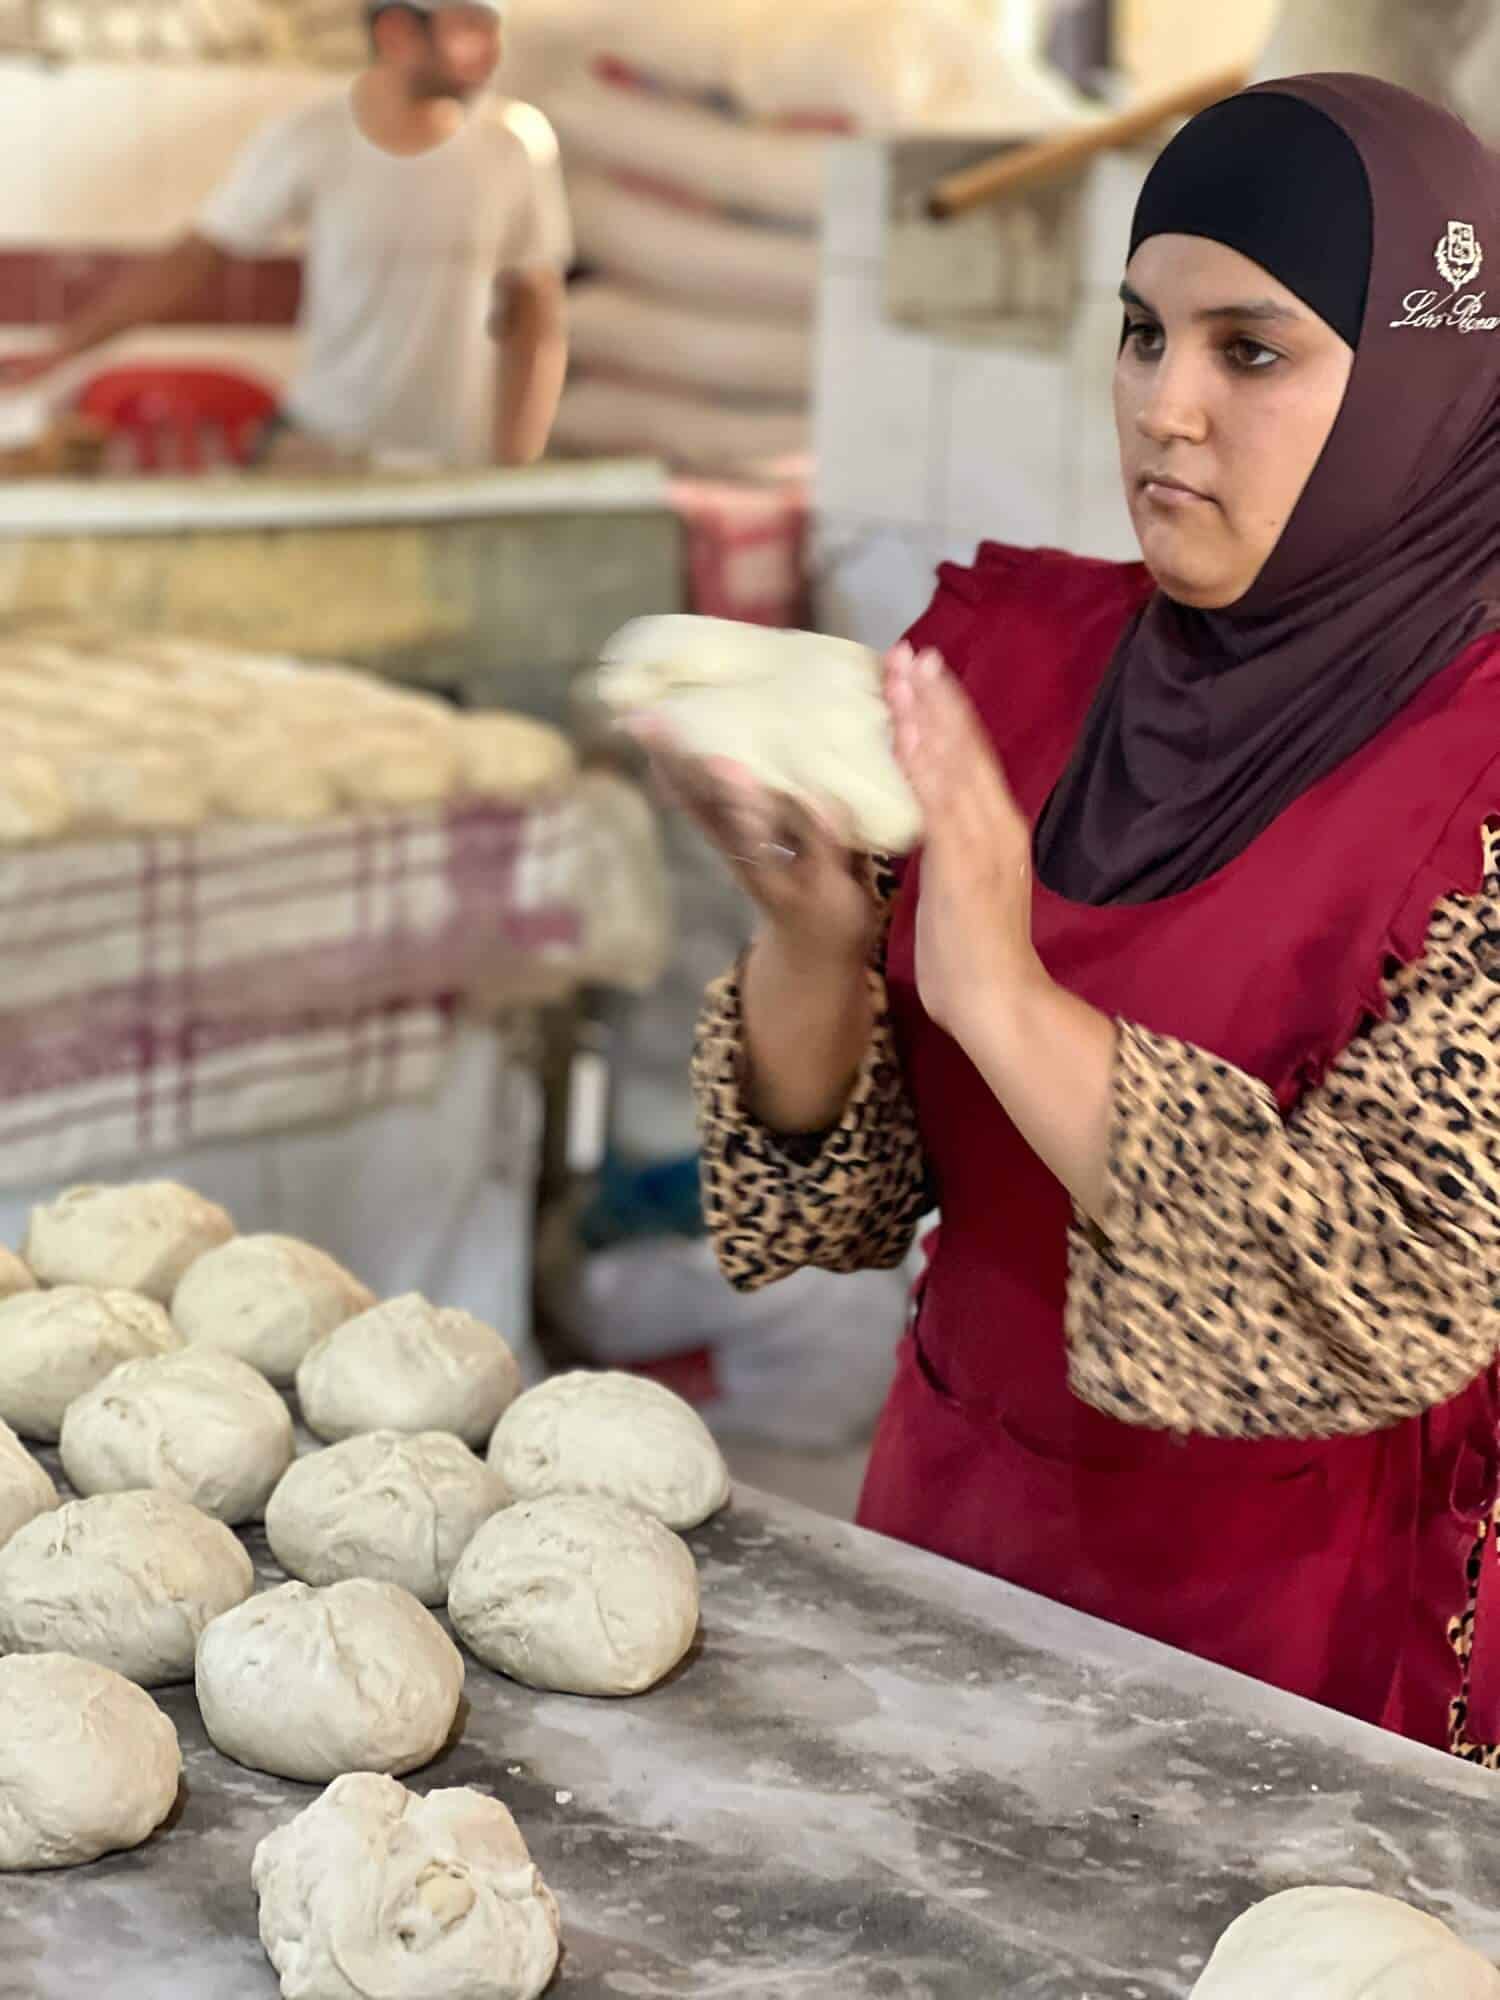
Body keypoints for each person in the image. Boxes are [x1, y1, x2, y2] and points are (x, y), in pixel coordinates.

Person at [660, 75, 1500, 1756]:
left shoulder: (1475, 779)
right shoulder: (1015, 661)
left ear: (1424, 383)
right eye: (1141, 334)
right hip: (956, 1552)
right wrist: (816, 943)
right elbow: (830, 1207)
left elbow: (1390, 1280)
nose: (1165, 409)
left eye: (1249, 352)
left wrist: (1005, 994)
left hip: (1309, 1648)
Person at [8, 0, 571, 469]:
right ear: (396, 32)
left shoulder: (514, 145)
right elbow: (197, 257)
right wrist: (65, 349)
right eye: (468, 28)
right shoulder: (311, 138)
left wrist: (519, 459)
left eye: (493, 28)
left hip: (455, 459)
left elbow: (537, 314)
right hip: (327, 445)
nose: (490, 50)